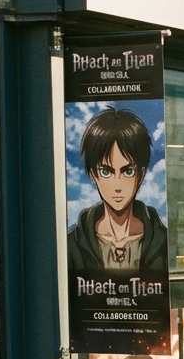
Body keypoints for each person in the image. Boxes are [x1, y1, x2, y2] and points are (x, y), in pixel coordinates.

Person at [67, 107, 167, 274]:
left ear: (141, 175)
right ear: (93, 175)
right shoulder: (73, 245)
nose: (118, 185)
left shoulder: (162, 241)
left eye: (128, 171)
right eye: (106, 171)